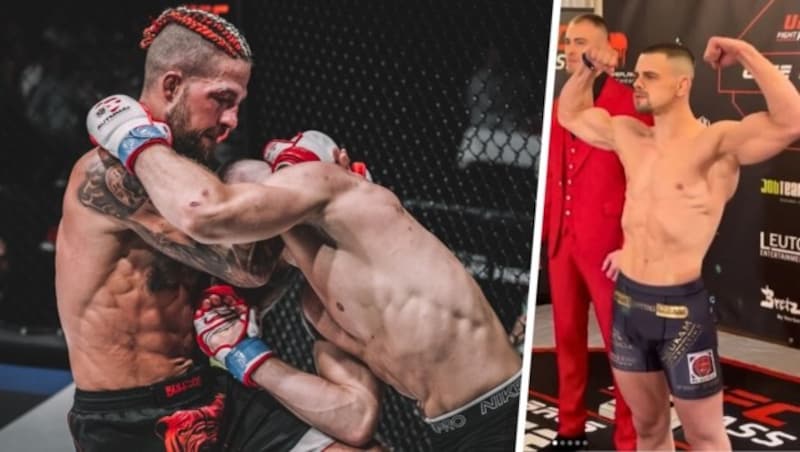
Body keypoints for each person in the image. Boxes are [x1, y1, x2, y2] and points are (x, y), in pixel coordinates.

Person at [86, 99, 524, 450]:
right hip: (449, 431)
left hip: (504, 407)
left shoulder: (340, 192)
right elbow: (354, 418)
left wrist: (134, 140)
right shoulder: (318, 303)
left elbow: (204, 211)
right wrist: (245, 355)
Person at [57, 7, 382, 451]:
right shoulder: (108, 175)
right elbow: (247, 268)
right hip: (130, 419)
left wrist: (325, 205)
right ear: (172, 85)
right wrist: (310, 194)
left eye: (238, 105)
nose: (232, 119)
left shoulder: (200, 170)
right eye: (222, 99)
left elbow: (244, 285)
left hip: (210, 390)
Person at [557, 36, 800, 450]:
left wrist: (743, 52)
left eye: (651, 77)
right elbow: (571, 113)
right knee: (650, 430)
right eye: (637, 75)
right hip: (629, 306)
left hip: (681, 314)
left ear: (683, 85)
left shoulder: (716, 144)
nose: (638, 84)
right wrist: (587, 69)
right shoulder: (629, 134)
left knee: (705, 435)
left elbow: (790, 122)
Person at [541, 13, 650, 451]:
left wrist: (632, 244)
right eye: (567, 41)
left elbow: (647, 181)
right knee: (566, 339)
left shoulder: (630, 103)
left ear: (606, 51)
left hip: (609, 245)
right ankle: (570, 428)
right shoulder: (558, 105)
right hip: (561, 240)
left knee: (621, 348)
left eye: (581, 41)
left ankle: (628, 439)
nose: (570, 49)